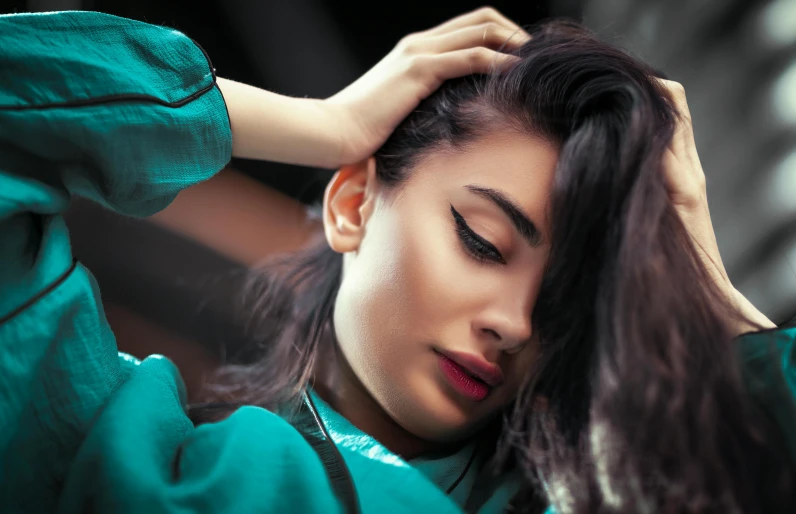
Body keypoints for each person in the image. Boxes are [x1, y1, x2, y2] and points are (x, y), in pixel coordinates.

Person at [0, 7, 793, 514]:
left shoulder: (618, 494)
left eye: (564, 295)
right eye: (482, 242)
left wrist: (708, 292)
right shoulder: (130, 458)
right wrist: (318, 125)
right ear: (352, 204)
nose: (515, 324)